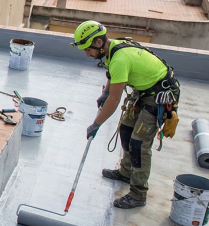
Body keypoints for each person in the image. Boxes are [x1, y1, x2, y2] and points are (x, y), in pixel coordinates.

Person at [73, 20, 180, 209]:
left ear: (98, 42)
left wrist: (96, 124)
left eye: (88, 49)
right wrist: (105, 92)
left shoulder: (120, 59)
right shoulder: (111, 49)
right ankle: (126, 171)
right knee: (126, 130)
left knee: (139, 143)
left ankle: (138, 194)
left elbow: (114, 101)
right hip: (144, 90)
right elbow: (112, 77)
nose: (87, 54)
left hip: (159, 95)